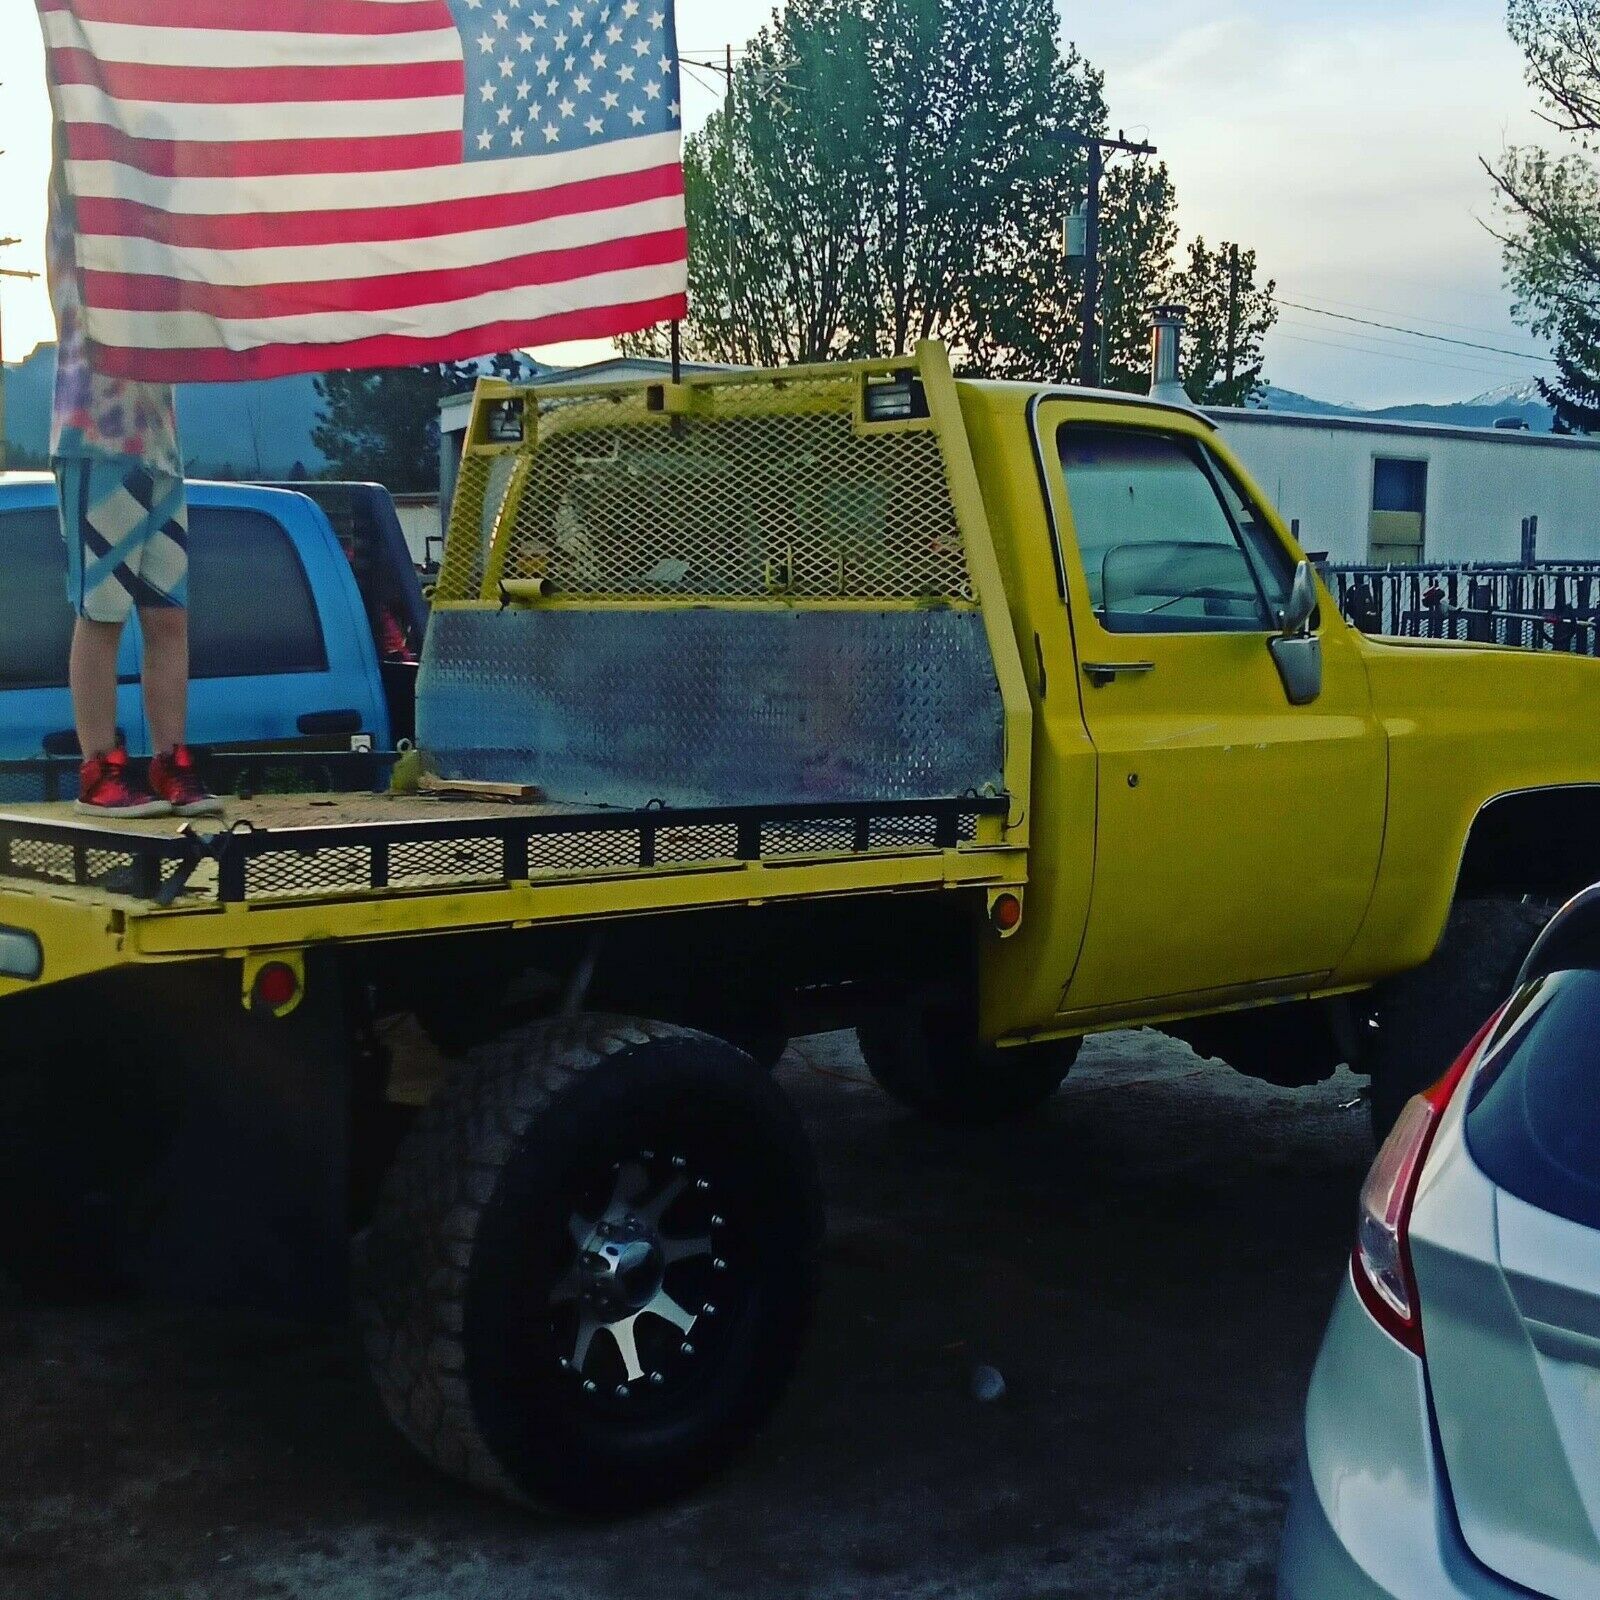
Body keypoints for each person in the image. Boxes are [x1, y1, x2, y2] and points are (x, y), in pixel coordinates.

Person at [46, 152, 219, 818]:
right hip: (95, 434)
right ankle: (99, 767)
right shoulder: (77, 211)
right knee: (102, 610)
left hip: (160, 447)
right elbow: (73, 125)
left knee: (167, 614)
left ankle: (171, 760)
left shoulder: (155, 237)